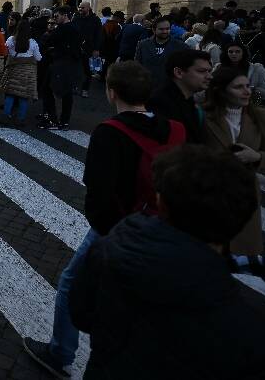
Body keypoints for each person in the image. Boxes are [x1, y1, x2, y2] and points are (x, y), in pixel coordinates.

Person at [23, 60, 186, 377]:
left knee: (72, 284)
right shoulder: (176, 128)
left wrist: (108, 233)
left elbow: (98, 191)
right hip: (166, 222)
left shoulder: (111, 132)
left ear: (111, 93)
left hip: (121, 226)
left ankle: (60, 353)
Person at [68, 145, 265, 378]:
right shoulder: (253, 328)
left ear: (161, 203)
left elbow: (81, 315)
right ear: (240, 221)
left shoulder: (108, 251)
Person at [201, 67, 265, 255]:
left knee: (241, 256)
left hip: (245, 197)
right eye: (238, 87)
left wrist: (258, 157)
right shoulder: (202, 116)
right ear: (221, 90)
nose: (247, 91)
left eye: (247, 86)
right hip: (210, 195)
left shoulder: (262, 117)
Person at [147, 49, 212, 143]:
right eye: (201, 71)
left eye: (209, 71)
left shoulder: (188, 101)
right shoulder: (161, 104)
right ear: (179, 73)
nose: (210, 76)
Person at [40, 6, 82, 130]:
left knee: (47, 89)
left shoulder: (62, 29)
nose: (55, 19)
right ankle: (64, 121)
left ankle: (52, 118)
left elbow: (50, 41)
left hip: (60, 63)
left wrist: (51, 45)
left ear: (64, 15)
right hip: (71, 63)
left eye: (57, 16)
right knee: (67, 93)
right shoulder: (76, 28)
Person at [0, 19, 42, 127]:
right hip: (27, 72)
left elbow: (5, 51)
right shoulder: (32, 42)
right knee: (24, 96)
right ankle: (20, 119)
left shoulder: (11, 40)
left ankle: (5, 115)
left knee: (10, 94)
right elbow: (38, 58)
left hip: (14, 69)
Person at [134, 16, 186, 87]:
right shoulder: (143, 45)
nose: (165, 31)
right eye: (161, 29)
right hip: (148, 86)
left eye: (167, 29)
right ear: (154, 30)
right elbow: (137, 65)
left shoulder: (180, 46)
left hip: (169, 87)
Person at [70, 2, 103, 97]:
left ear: (88, 8)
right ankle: (74, 86)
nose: (80, 9)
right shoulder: (76, 18)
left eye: (82, 8)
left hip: (89, 49)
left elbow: (99, 35)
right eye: (79, 7)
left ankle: (85, 89)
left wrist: (96, 49)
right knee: (75, 68)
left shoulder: (95, 20)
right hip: (76, 48)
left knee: (88, 70)